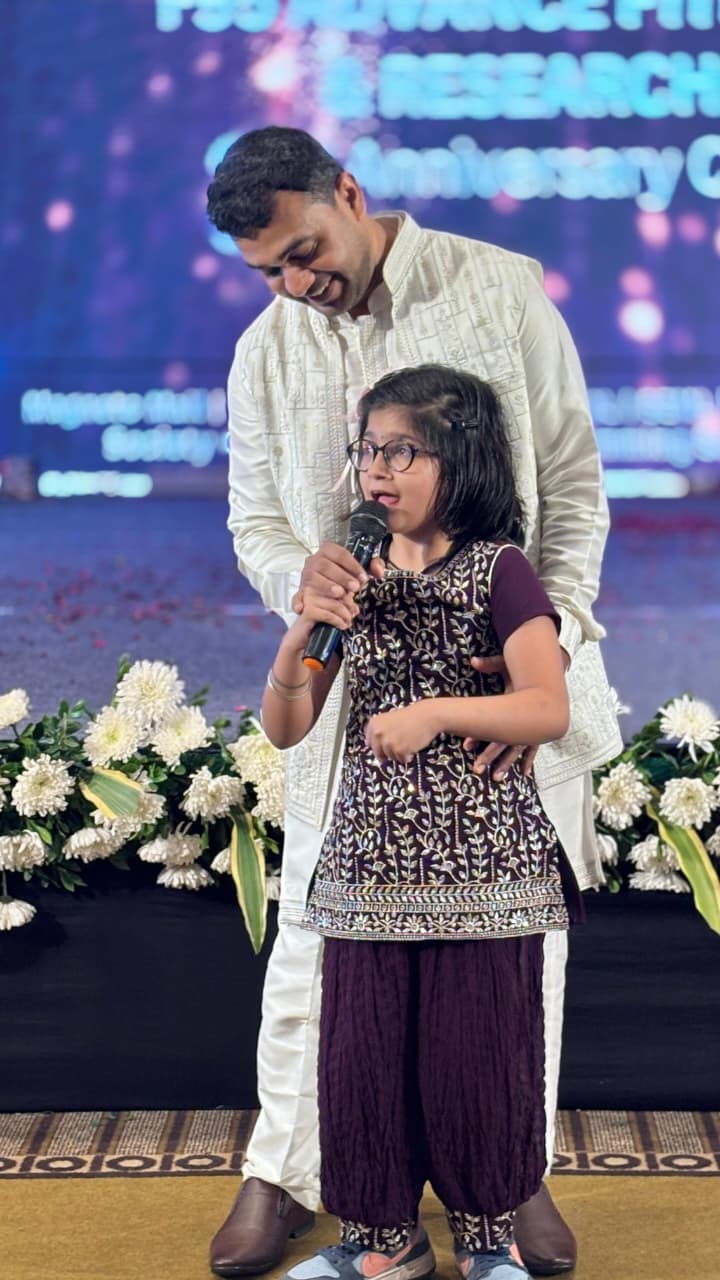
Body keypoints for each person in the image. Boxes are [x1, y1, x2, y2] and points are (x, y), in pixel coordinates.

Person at [206, 126, 622, 1279]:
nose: (297, 285)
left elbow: (575, 482)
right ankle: (286, 1168)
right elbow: (256, 520)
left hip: (508, 693)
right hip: (356, 694)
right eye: (269, 272)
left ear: (349, 191)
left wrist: (559, 629)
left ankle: (511, 1174)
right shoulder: (265, 351)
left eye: (304, 250)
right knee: (319, 948)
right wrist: (300, 583)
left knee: (512, 958)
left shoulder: (498, 290)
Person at [260, 363, 583, 1280]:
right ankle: (381, 1243)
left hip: (483, 861)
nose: (377, 472)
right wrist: (301, 633)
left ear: (463, 457)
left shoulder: (499, 570)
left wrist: (438, 711)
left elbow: (545, 707)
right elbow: (288, 723)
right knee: (362, 1060)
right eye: (368, 452)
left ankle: (492, 1241)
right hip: (371, 861)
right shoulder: (351, 572)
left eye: (402, 451)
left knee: (476, 1061)